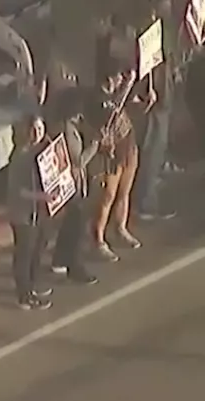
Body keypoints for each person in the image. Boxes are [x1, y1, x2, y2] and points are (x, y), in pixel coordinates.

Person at [46, 86, 100, 285]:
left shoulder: (60, 124)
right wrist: (94, 146)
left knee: (69, 225)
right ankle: (75, 265)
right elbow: (77, 162)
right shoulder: (67, 130)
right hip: (73, 185)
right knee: (77, 227)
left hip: (66, 185)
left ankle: (59, 259)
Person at [131, 0, 176, 222]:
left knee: (155, 150)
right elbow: (146, 67)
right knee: (151, 150)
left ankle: (147, 191)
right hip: (153, 102)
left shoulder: (159, 26)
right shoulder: (146, 30)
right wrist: (149, 91)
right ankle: (145, 203)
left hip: (163, 97)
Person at [6, 116, 54, 310]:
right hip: (22, 213)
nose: (38, 134)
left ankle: (32, 285)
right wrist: (42, 197)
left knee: (37, 248)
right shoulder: (19, 156)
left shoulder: (38, 151)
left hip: (37, 212)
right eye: (34, 130)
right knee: (24, 254)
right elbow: (19, 190)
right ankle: (24, 295)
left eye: (41, 129)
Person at [91, 70, 140, 260]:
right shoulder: (98, 99)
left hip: (127, 144)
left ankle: (121, 228)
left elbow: (129, 105)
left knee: (124, 191)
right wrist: (127, 86)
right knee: (107, 196)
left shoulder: (121, 94)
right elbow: (112, 110)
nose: (121, 78)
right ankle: (99, 239)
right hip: (110, 152)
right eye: (118, 75)